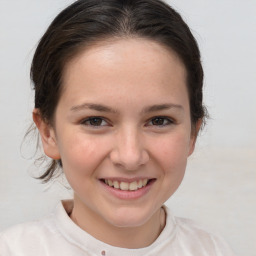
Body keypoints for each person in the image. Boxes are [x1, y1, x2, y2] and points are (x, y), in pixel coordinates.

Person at [0, 0, 236, 255]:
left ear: (193, 133)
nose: (130, 157)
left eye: (159, 120)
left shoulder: (212, 249)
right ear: (48, 132)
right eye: (95, 121)